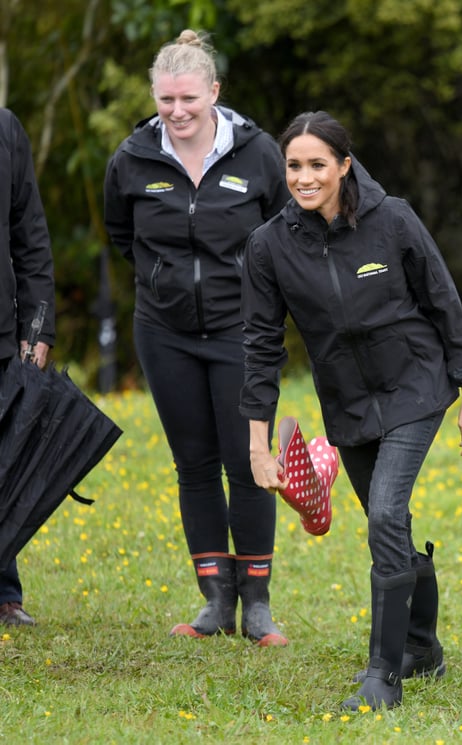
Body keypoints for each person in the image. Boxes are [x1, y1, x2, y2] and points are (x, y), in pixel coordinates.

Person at [240, 111, 462, 711]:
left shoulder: (392, 219)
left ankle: (383, 674)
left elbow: (443, 300)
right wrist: (257, 443)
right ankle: (423, 647)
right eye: (294, 165)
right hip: (346, 403)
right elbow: (259, 345)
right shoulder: (269, 245)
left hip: (415, 386)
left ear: (344, 165)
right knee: (388, 526)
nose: (304, 177)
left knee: (384, 514)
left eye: (317, 164)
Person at [103, 30, 290, 645]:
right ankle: (215, 599)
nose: (177, 111)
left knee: (248, 461)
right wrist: (164, 283)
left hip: (243, 332)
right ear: (154, 98)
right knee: (194, 465)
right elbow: (121, 236)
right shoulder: (131, 159)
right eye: (165, 100)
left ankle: (258, 605)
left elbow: (282, 238)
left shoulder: (260, 155)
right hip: (165, 333)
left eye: (188, 98)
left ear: (214, 92)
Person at [0, 108, 57, 627]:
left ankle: (3, 593)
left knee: (3, 466)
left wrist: (36, 328)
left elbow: (30, 234)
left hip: (0, 335)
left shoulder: (5, 130)